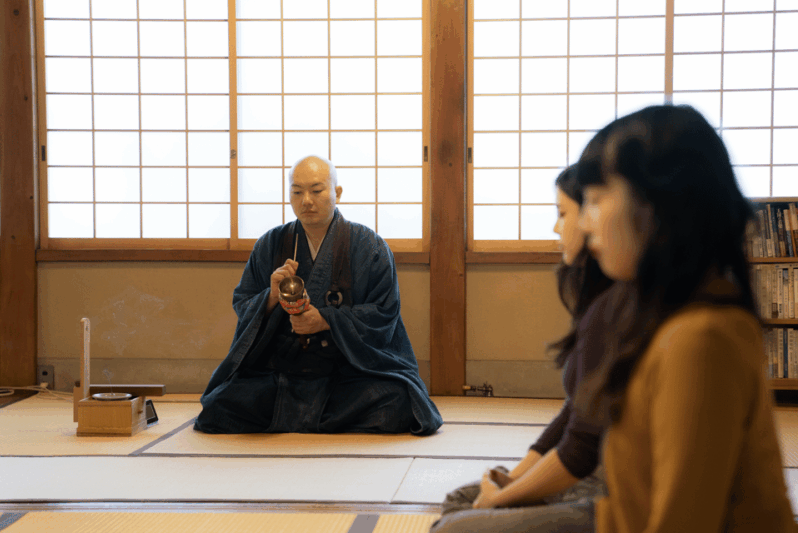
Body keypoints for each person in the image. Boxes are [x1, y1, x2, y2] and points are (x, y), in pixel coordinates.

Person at [573, 104, 796, 532]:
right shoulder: (653, 317)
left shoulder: (701, 339)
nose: (585, 221)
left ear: (659, 206)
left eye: (597, 200)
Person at [194, 155, 442, 435]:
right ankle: (326, 420)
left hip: (347, 370)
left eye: (316, 190)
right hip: (283, 372)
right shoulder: (270, 244)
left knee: (398, 402)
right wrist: (271, 297)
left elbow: (385, 312)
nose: (306, 201)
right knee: (218, 406)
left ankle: (291, 418)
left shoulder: (370, 246)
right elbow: (243, 302)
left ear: (336, 192)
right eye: (297, 191)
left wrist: (326, 320)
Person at [430, 163, 614, 533]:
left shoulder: (637, 313)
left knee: (456, 525)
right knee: (460, 502)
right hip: (588, 476)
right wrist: (513, 480)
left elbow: (579, 449)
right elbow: (573, 416)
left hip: (613, 493)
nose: (556, 228)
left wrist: (504, 496)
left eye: (563, 214)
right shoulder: (603, 299)